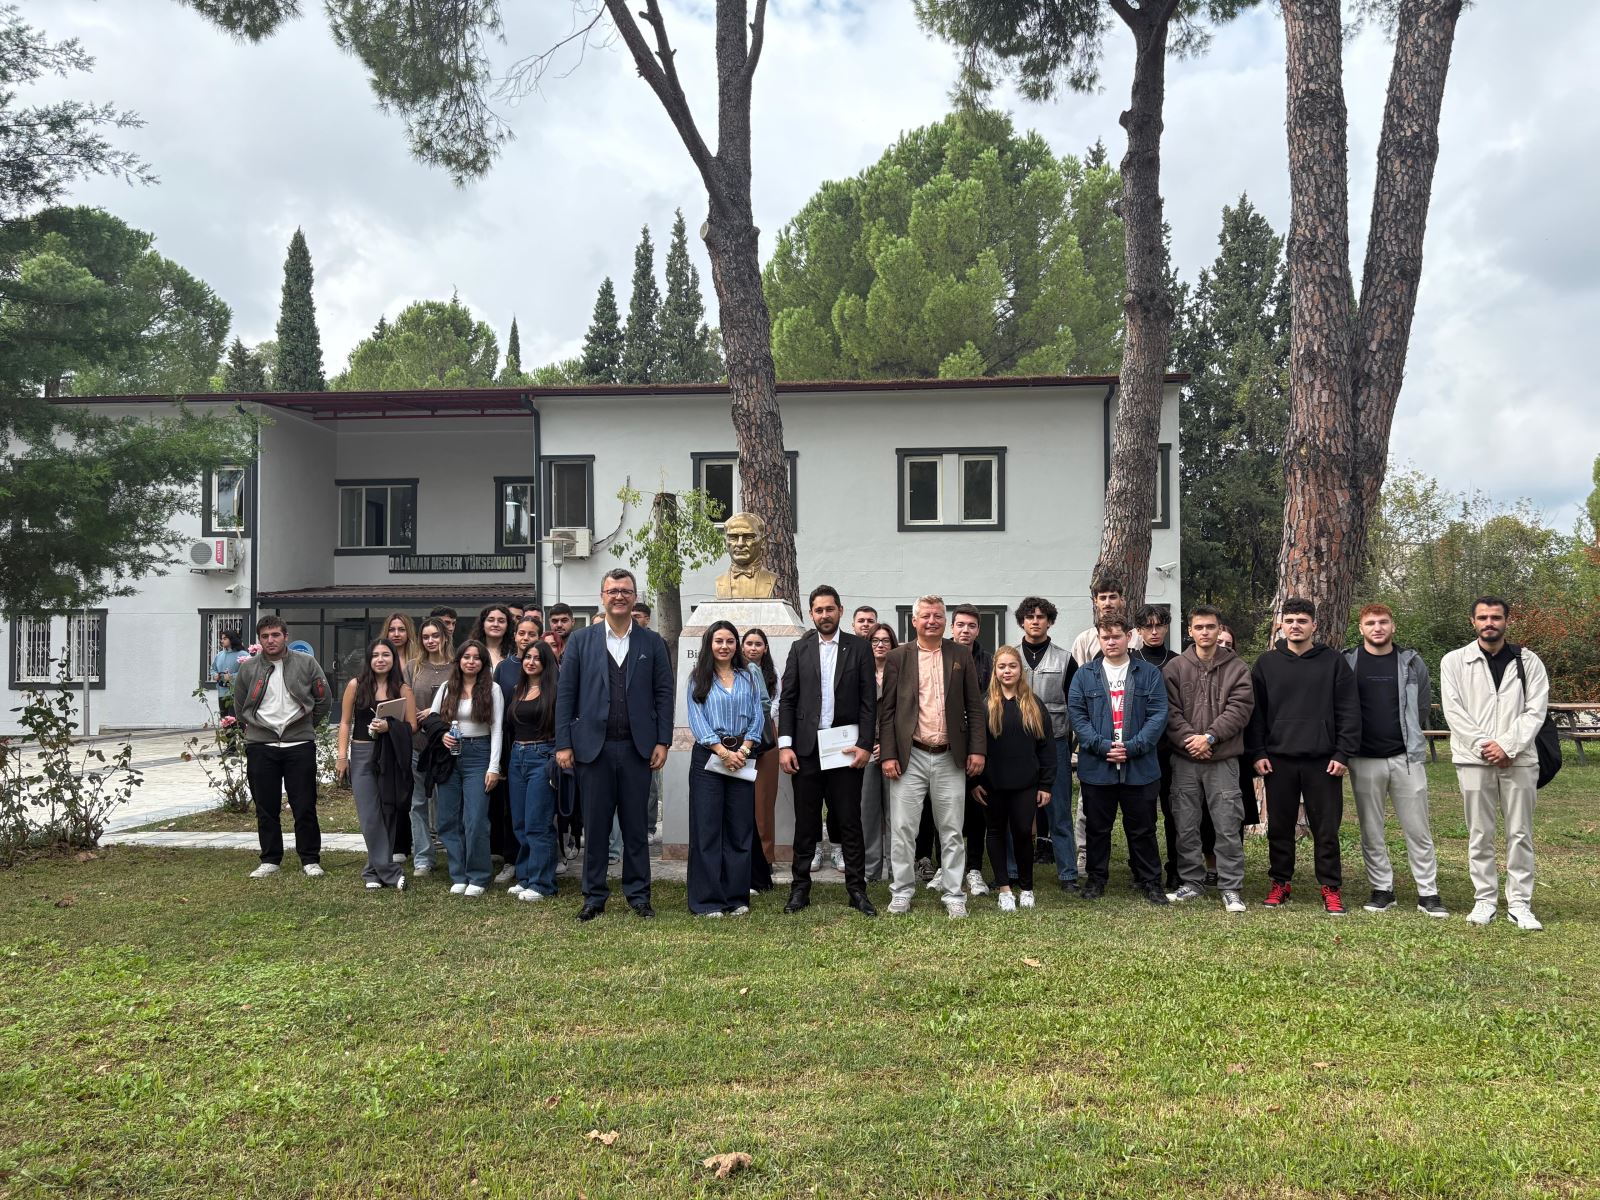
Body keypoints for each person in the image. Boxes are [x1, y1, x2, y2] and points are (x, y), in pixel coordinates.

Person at [554, 568, 673, 922]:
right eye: (612, 590)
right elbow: (566, 695)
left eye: (625, 591)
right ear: (602, 596)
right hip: (593, 750)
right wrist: (564, 743)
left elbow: (663, 694)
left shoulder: (652, 643)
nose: (619, 596)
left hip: (638, 749)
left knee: (636, 827)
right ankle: (594, 897)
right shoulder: (581, 641)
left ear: (634, 597)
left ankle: (639, 896)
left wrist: (663, 740)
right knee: (596, 827)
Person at [1440, 595, 1550, 930]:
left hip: (1520, 760)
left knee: (1520, 832)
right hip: (1473, 760)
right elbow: (1454, 710)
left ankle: (1520, 903)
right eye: (1483, 617)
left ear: (1506, 621)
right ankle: (1485, 900)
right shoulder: (1454, 661)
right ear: (1473, 621)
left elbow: (1536, 710)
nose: (1490, 623)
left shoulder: (1528, 661)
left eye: (1496, 617)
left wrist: (1508, 746)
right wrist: (1485, 747)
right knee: (1480, 832)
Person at [1245, 597, 1360, 916]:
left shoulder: (1333, 662)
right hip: (1278, 759)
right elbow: (1256, 713)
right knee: (1280, 827)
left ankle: (1330, 887)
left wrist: (1343, 753)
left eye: (1302, 620)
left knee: (1326, 828)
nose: (1295, 625)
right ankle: (1280, 882)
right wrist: (1258, 752)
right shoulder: (1267, 663)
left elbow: (1349, 710)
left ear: (1314, 625)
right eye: (1290, 620)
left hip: (1324, 760)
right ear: (1281, 625)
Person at [878, 595, 986, 917]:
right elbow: (887, 712)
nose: (932, 621)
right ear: (914, 621)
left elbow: (974, 707)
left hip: (950, 756)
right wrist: (888, 754)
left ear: (944, 621)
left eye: (937, 615)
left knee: (951, 829)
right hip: (910, 755)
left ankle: (954, 893)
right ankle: (901, 890)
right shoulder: (898, 657)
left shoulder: (959, 655)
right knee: (903, 829)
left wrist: (977, 749)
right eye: (925, 616)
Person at [779, 585, 877, 917]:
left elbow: (868, 702)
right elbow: (788, 700)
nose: (825, 615)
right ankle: (799, 889)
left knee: (849, 821)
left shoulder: (859, 648)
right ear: (811, 614)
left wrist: (865, 745)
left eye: (830, 609)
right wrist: (785, 746)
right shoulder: (799, 648)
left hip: (845, 750)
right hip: (806, 750)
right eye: (819, 610)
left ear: (840, 610)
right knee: (806, 823)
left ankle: (857, 890)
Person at [1343, 603, 1447, 918]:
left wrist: (1409, 736)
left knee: (1418, 828)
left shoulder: (1412, 662)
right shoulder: (1347, 662)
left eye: (1383, 622)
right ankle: (1382, 890)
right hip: (1364, 758)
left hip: (1406, 757)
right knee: (1371, 829)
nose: (1377, 628)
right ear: (1361, 628)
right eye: (1371, 623)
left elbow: (1422, 705)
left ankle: (1428, 893)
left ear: (1393, 626)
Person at [1068, 612, 1170, 905]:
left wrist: (1133, 747)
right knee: (1097, 828)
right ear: (1099, 639)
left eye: (1116, 636)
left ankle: (1150, 881)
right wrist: (1102, 746)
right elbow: (1078, 716)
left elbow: (1158, 715)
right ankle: (1096, 879)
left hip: (1139, 766)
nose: (1111, 642)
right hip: (1097, 766)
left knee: (1143, 828)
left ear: (1129, 636)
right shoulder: (1084, 675)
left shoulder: (1148, 673)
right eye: (1105, 637)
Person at [1162, 605, 1254, 913]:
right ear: (1190, 631)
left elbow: (1240, 709)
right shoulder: (1175, 668)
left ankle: (1230, 886)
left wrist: (1210, 737)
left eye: (1210, 627)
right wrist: (1192, 741)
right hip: (1185, 759)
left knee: (1227, 824)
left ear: (1219, 629)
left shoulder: (1237, 668)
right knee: (1186, 823)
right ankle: (1192, 881)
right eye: (1199, 627)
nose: (1205, 632)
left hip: (1222, 759)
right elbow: (1169, 711)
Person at [234, 615, 332, 879]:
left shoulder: (306, 663)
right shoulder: (248, 668)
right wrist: (257, 729)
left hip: (299, 744)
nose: (270, 640)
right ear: (259, 640)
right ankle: (270, 859)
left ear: (285, 636)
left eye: (275, 635)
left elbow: (323, 699)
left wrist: (306, 724)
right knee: (265, 806)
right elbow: (241, 706)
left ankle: (310, 859)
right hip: (261, 745)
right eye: (265, 636)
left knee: (304, 805)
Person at [685, 621, 767, 916]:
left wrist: (743, 750)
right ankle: (707, 900)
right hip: (709, 758)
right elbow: (697, 720)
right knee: (707, 829)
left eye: (730, 641)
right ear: (709, 644)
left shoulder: (749, 677)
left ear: (737, 645)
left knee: (739, 828)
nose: (724, 646)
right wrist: (722, 752)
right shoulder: (698, 678)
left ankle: (736, 897)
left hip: (742, 756)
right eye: (718, 641)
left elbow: (758, 716)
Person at [973, 646, 1054, 913]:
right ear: (995, 671)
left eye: (1012, 666)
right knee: (995, 832)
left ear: (1021, 670)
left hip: (1025, 783)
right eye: (1002, 667)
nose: (1007, 671)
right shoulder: (985, 704)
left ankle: (1027, 888)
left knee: (1022, 832)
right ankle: (1004, 889)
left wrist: (1045, 784)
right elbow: (974, 747)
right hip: (992, 784)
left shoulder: (1034, 705)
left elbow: (1046, 748)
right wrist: (974, 782)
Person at [336, 638, 417, 890]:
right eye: (375, 655)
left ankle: (372, 872)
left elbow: (412, 725)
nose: (380, 659)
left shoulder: (402, 689)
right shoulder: (356, 685)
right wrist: (341, 756)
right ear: (369, 659)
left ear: (394, 659)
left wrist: (389, 726)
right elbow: (345, 722)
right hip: (362, 752)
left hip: (390, 754)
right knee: (369, 814)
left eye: (386, 655)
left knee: (388, 810)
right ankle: (389, 871)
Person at [428, 640, 504, 897]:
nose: (471, 662)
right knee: (447, 820)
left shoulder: (492, 689)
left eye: (476, 657)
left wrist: (494, 767)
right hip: (450, 756)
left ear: (483, 662)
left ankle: (478, 876)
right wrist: (442, 736)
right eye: (466, 657)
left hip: (479, 755)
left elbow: (497, 730)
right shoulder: (447, 688)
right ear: (458, 660)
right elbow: (432, 719)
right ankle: (458, 874)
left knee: (476, 819)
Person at [1014, 596, 1078, 892]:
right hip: (1016, 745)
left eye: (1041, 617)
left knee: (1059, 811)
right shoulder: (1010, 656)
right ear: (1022, 622)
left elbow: (1075, 704)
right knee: (1016, 812)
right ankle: (1012, 872)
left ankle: (1068, 875)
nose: (1035, 621)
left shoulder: (1065, 659)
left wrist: (1073, 743)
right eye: (1030, 617)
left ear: (1050, 621)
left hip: (1055, 743)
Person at [1132, 605, 1183, 888]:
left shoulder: (1177, 662)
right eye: (1148, 626)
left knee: (1175, 814)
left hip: (1171, 749)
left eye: (1159, 626)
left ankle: (1176, 868)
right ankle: (1142, 870)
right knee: (1143, 815)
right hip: (1140, 750)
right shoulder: (1130, 661)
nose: (1154, 632)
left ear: (1166, 627)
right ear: (1138, 630)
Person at [506, 639, 561, 902]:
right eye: (527, 657)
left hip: (543, 757)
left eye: (537, 658)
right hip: (517, 757)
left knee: (538, 823)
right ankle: (526, 877)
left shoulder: (556, 691)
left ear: (546, 662)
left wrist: (556, 758)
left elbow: (565, 727)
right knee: (520, 823)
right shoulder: (518, 689)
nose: (530, 662)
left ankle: (542, 883)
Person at [949, 604, 996, 897]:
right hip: (945, 743)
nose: (965, 630)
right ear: (952, 627)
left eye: (971, 626)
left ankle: (975, 868)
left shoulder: (989, 661)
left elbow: (993, 701)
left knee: (978, 805)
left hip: (980, 742)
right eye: (960, 625)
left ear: (978, 630)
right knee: (945, 808)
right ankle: (945, 866)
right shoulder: (940, 655)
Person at [407, 617, 455, 876]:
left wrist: (434, 712)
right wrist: (417, 715)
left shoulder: (457, 667)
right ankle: (423, 858)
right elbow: (403, 699)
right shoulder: (413, 668)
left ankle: (455, 854)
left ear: (445, 637)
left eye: (435, 635)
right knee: (418, 804)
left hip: (447, 747)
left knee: (448, 805)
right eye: (426, 637)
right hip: (418, 745)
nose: (430, 641)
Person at [741, 627, 781, 887]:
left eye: (758, 644)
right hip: (738, 736)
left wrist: (757, 717)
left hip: (766, 734)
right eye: (749, 643)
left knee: (764, 800)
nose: (753, 648)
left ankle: (766, 857)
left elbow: (774, 702)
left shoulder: (770, 673)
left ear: (765, 648)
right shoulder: (734, 669)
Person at [861, 623, 897, 883]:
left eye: (885, 640)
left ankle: (897, 869)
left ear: (893, 645)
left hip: (894, 750)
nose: (880, 645)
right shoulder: (859, 673)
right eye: (875, 640)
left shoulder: (902, 673)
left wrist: (888, 743)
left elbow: (907, 714)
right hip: (865, 750)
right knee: (868, 812)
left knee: (895, 814)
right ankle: (871, 870)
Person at [1069, 575, 1144, 667]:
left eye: (1112, 597)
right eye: (1103, 598)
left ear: (1122, 600)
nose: (1107, 603)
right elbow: (1080, 672)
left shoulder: (1138, 637)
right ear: (1095, 601)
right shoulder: (1084, 639)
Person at [210, 629, 244, 719]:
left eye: (225, 638)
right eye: (221, 639)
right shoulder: (219, 655)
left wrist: (232, 677)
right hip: (222, 693)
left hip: (237, 693)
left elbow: (247, 672)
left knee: (237, 721)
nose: (222, 641)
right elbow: (212, 669)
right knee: (225, 720)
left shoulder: (243, 655)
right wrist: (215, 675)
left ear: (232, 639)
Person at [382, 612, 421, 680]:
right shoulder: (378, 659)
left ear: (409, 632)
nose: (396, 634)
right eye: (391, 630)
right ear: (386, 633)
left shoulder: (419, 659)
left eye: (401, 629)